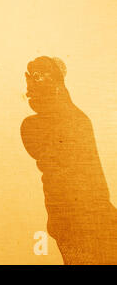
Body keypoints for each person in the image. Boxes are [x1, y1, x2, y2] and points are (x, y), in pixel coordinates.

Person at [20, 56, 117, 264]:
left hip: (84, 226)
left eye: (37, 80)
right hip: (74, 224)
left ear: (54, 83)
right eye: (30, 82)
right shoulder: (45, 124)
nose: (28, 91)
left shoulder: (71, 122)